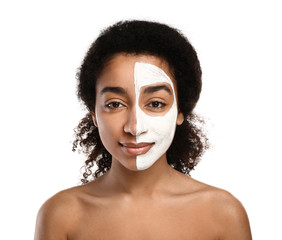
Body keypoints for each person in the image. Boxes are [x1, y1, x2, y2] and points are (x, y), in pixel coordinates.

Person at [34, 20, 252, 239]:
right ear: (94, 114)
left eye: (156, 103)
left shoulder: (222, 214)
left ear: (180, 111)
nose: (135, 127)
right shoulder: (61, 215)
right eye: (115, 104)